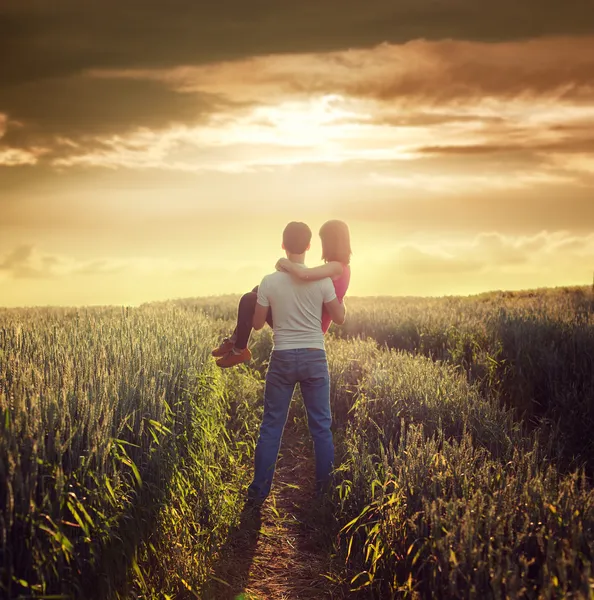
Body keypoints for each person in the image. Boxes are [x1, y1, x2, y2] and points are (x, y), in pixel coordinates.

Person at [245, 221, 346, 503]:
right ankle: (325, 493)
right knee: (321, 428)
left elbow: (256, 324)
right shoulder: (322, 280)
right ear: (309, 246)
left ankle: (258, 493)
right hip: (315, 356)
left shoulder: (268, 281)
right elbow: (339, 317)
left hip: (282, 357)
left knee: (271, 426)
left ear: (283, 246)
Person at [212, 219, 351, 368]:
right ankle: (236, 342)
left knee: (249, 299)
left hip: (311, 323)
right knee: (257, 290)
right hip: (311, 317)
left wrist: (284, 263)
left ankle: (238, 348)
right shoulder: (343, 268)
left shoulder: (335, 267)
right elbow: (329, 293)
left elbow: (304, 274)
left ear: (330, 243)